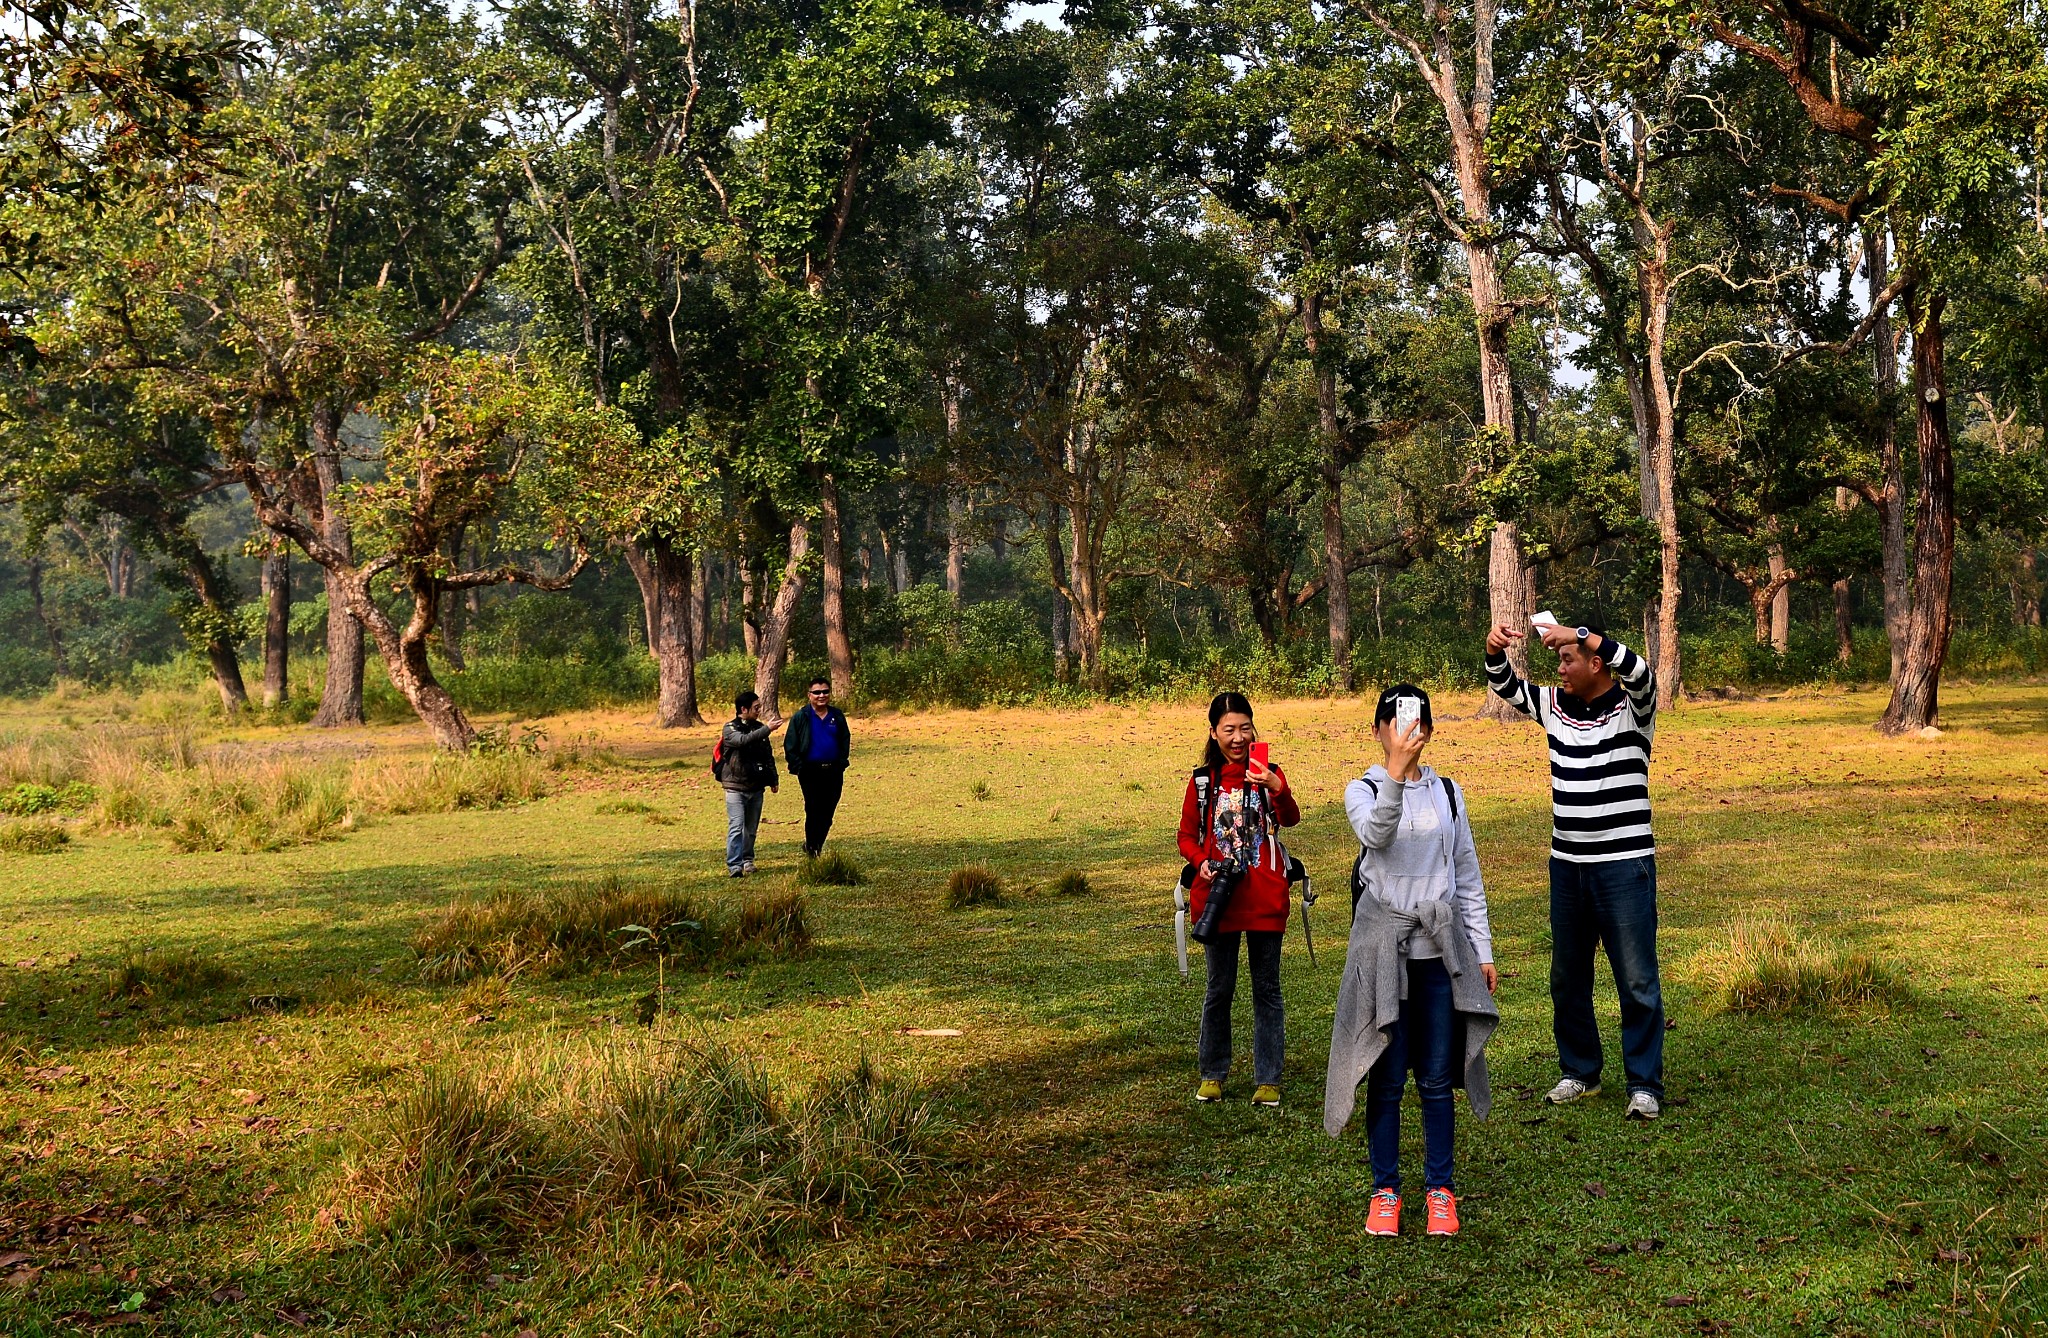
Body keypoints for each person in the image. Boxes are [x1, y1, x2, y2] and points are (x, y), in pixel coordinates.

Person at [1325, 685, 1499, 1238]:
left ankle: (1440, 1191)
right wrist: (1396, 773)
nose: (1408, 730)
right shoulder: (1363, 789)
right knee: (1386, 1079)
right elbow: (1376, 835)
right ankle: (1385, 1192)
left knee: (1436, 1077)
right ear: (1378, 728)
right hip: (1384, 955)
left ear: (1428, 729)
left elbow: (1465, 874)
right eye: (1397, 721)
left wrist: (1482, 947)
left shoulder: (1449, 794)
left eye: (1418, 720)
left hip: (1438, 957)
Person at [1485, 618, 1665, 1120]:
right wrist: (1494, 648)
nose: (1560, 669)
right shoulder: (1554, 706)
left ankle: (1644, 1083)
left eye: (1568, 659)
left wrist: (1576, 632)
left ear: (1595, 663)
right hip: (1567, 868)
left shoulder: (1636, 709)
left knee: (1636, 980)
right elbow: (1505, 685)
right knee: (1567, 977)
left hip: (1625, 867)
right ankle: (1580, 1072)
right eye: (1559, 660)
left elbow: (1641, 669)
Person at [1176, 691, 1301, 1107]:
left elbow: (1290, 818)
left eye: (1245, 728)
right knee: (1219, 988)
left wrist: (1276, 786)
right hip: (1219, 897)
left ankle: (1269, 1079)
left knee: (1267, 989)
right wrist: (1201, 862)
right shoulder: (1202, 781)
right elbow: (1185, 836)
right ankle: (1213, 1072)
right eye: (1228, 729)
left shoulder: (1269, 773)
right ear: (1213, 733)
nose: (1238, 737)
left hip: (1265, 896)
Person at [783, 676, 851, 859]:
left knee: (828, 811)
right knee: (813, 809)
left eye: (825, 692)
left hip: (833, 770)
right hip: (810, 771)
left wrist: (842, 762)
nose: (821, 695)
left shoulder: (836, 716)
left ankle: (814, 844)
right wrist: (798, 767)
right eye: (817, 692)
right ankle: (813, 849)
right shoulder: (801, 717)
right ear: (809, 695)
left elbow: (845, 739)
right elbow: (790, 744)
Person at [718, 689, 779, 877]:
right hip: (735, 786)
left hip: (756, 786)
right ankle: (734, 865)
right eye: (756, 707)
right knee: (736, 826)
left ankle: (747, 860)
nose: (759, 710)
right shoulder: (730, 728)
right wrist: (767, 729)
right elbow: (742, 741)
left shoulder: (759, 728)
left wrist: (773, 778)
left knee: (750, 828)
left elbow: (767, 755)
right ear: (743, 709)